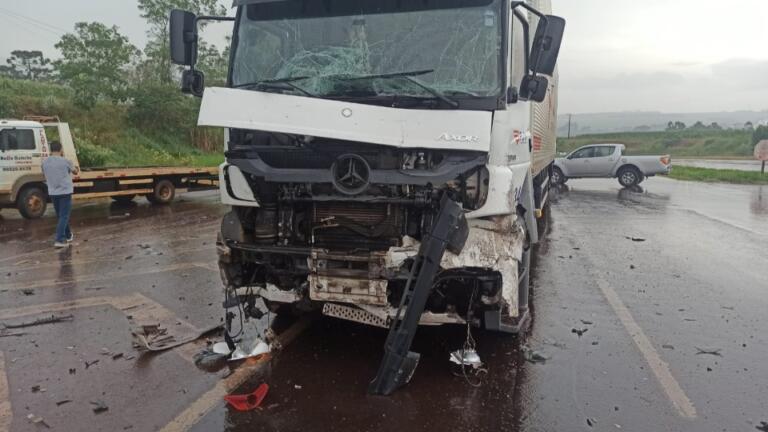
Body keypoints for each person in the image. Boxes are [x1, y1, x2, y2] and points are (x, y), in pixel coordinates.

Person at [41, 141, 79, 248]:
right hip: (65, 192)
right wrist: (75, 168)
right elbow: (75, 172)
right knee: (64, 216)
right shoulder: (65, 161)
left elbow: (44, 174)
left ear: (50, 149)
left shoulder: (44, 162)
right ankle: (59, 240)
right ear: (61, 149)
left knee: (61, 216)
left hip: (53, 192)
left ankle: (68, 235)